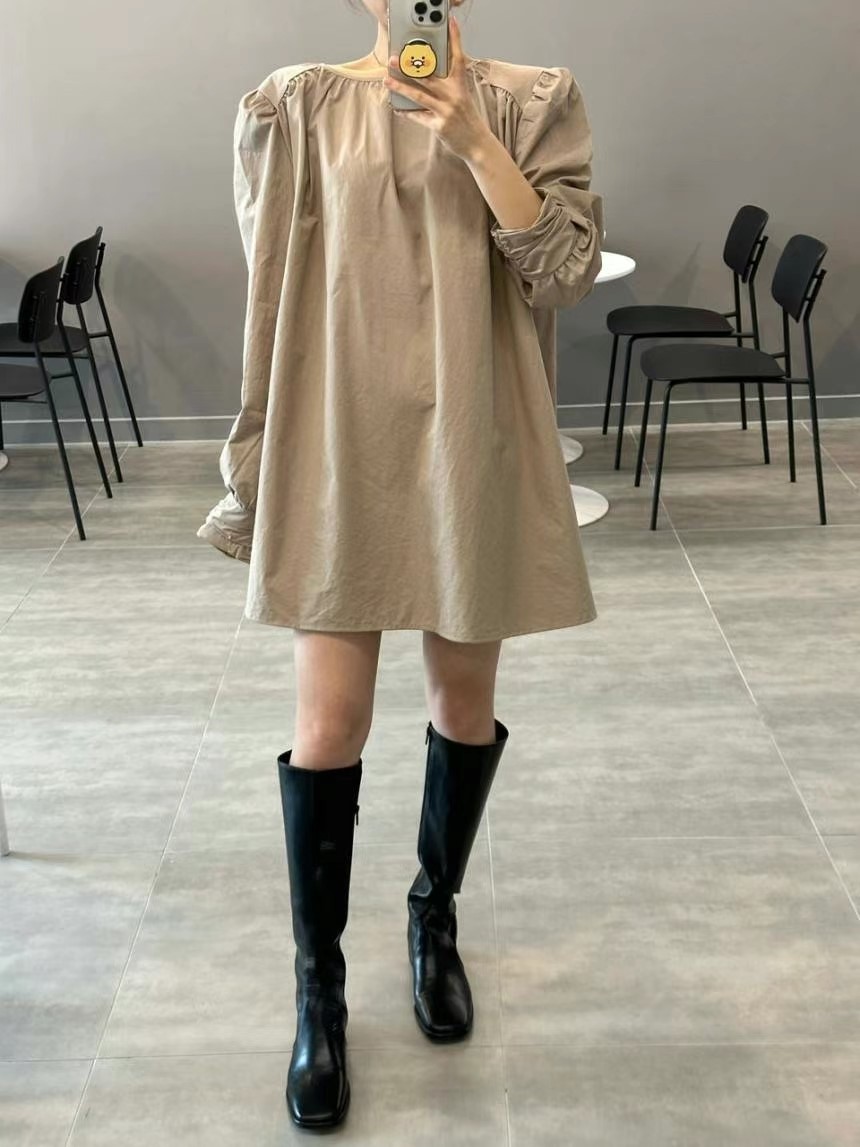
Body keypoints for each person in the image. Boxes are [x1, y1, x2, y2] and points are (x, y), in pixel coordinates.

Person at [197, 0, 603, 1130]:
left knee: (462, 706)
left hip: (473, 431)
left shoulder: (532, 102)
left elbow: (563, 274)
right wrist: (258, 446)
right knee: (328, 725)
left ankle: (434, 916)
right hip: (339, 436)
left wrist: (473, 138)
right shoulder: (295, 106)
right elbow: (271, 286)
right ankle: (318, 991)